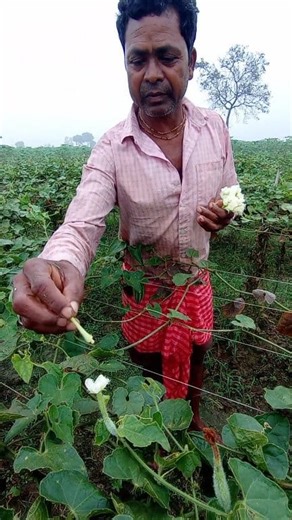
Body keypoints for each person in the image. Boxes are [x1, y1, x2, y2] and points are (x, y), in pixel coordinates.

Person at [12, 0, 238, 430]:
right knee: (149, 372)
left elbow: (230, 192)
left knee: (198, 358)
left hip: (195, 283)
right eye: (138, 60)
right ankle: (158, 439)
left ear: (191, 62)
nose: (152, 73)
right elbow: (80, 224)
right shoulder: (112, 149)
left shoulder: (216, 129)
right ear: (126, 66)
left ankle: (192, 422)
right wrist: (60, 263)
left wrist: (224, 213)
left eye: (167, 57)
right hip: (145, 292)